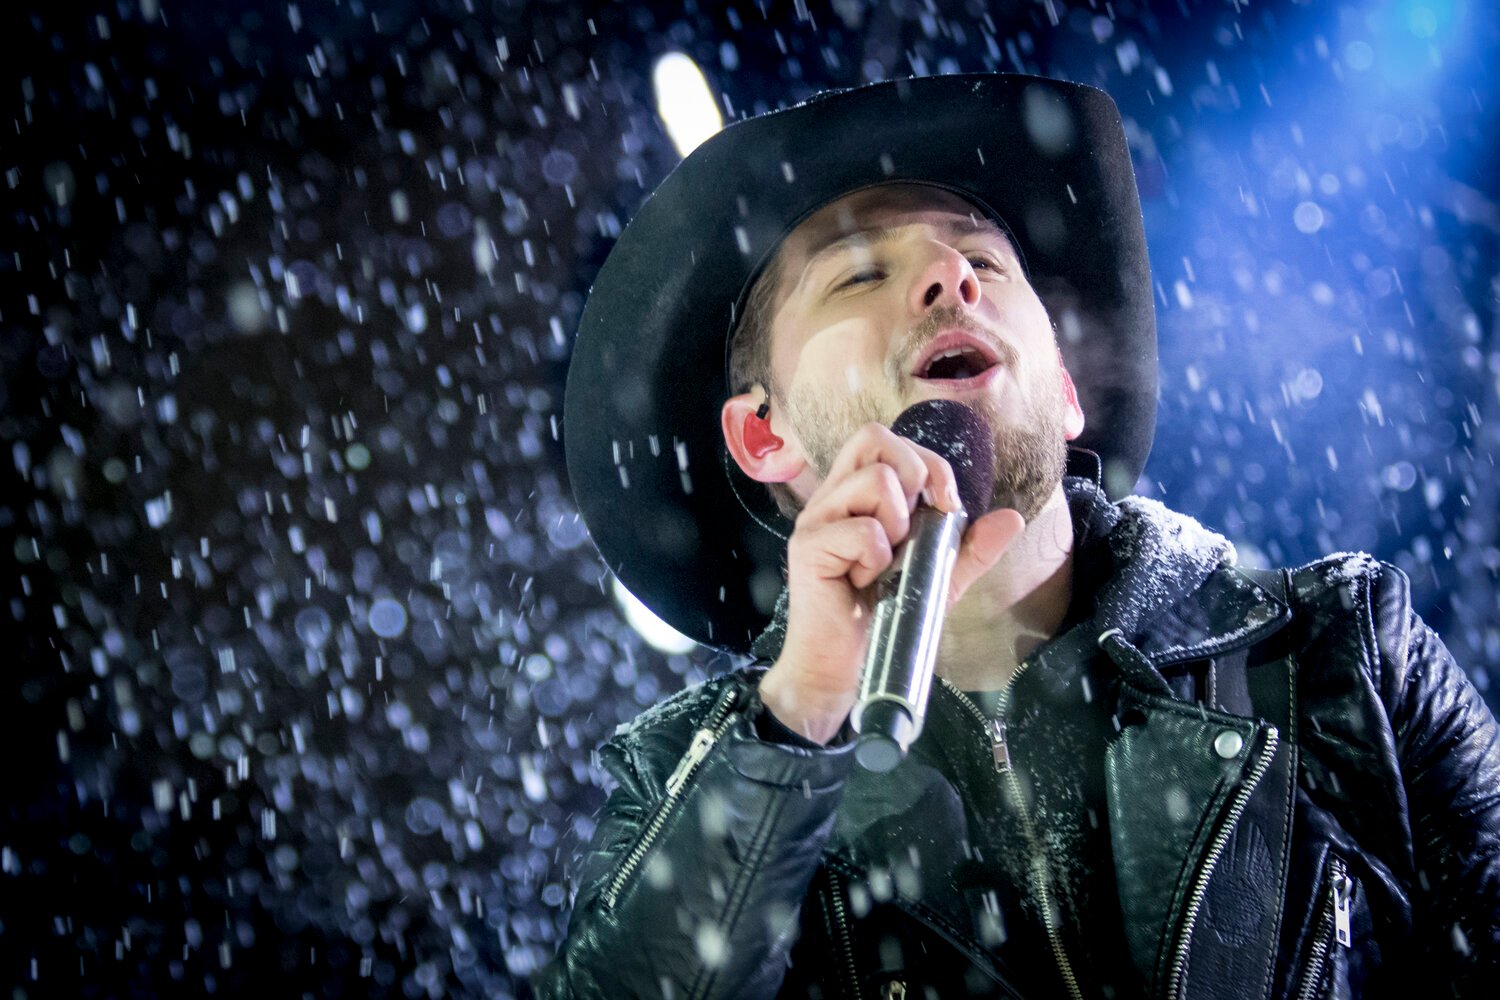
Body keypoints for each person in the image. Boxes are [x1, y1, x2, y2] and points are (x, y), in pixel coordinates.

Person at [537, 74, 1500, 998]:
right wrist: (798, 723)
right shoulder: (689, 780)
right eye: (862, 272)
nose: (951, 277)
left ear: (1068, 392)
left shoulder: (1342, 658)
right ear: (763, 433)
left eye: (986, 261)